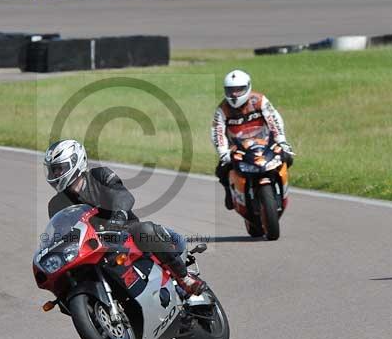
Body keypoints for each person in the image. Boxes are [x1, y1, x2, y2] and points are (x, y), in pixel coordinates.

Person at [44, 139, 206, 297]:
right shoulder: (56, 205)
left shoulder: (100, 175)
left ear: (75, 162)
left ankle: (184, 278)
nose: (56, 174)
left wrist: (118, 216)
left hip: (125, 231)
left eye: (60, 168)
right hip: (91, 246)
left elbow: (123, 195)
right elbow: (61, 232)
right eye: (53, 170)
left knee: (144, 230)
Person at [211, 69, 294, 210]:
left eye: (239, 90)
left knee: (287, 157)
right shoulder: (222, 109)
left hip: (265, 143)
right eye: (231, 90)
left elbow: (274, 120)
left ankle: (279, 188)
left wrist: (281, 141)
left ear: (248, 87)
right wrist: (223, 152)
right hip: (238, 148)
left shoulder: (260, 100)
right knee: (222, 169)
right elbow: (217, 132)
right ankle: (229, 191)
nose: (235, 94)